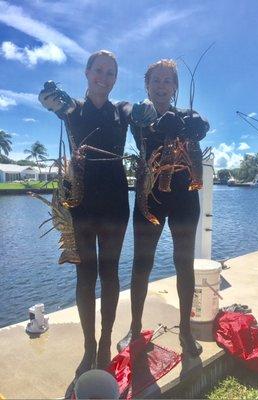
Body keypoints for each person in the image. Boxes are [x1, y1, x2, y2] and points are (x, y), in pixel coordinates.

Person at [39, 50, 131, 375]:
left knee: (110, 273)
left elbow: (142, 113)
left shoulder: (123, 110)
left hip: (117, 204)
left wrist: (151, 114)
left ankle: (106, 340)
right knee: (85, 276)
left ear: (115, 78)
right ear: (87, 72)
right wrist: (51, 98)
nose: (103, 77)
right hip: (80, 203)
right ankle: (88, 345)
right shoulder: (73, 108)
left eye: (110, 72)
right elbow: (53, 103)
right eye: (99, 70)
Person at [118, 59, 209, 357]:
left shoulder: (185, 116)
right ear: (146, 85)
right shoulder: (140, 113)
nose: (161, 85)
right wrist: (157, 124)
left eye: (167, 80)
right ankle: (134, 327)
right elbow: (133, 113)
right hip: (150, 196)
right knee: (142, 263)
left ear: (175, 87)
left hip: (184, 197)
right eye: (155, 80)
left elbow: (201, 122)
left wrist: (201, 123)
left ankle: (185, 330)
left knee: (184, 263)